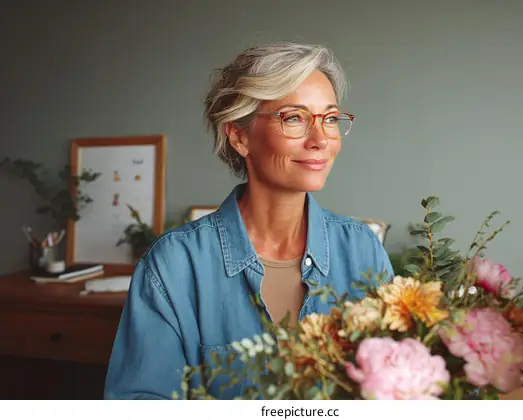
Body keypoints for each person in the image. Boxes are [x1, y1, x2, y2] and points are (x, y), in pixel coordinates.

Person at [104, 41, 394, 400]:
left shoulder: (363, 250)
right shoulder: (174, 265)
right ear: (240, 136)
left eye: (330, 119)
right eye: (294, 118)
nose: (321, 140)